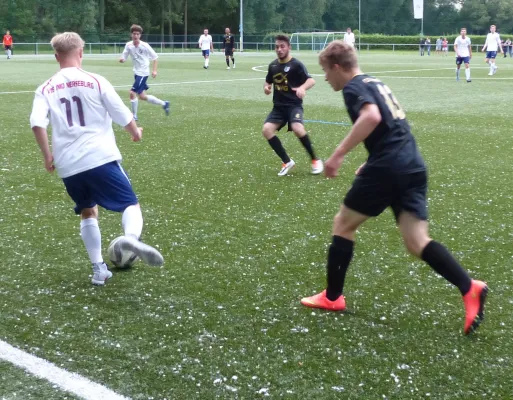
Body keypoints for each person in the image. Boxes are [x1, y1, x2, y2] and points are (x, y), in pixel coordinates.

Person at [300, 40, 487, 335]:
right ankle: (469, 287)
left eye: (325, 70)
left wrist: (338, 155)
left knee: (343, 224)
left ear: (337, 67)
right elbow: (389, 125)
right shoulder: (375, 81)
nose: (325, 78)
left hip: (388, 167)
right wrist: (372, 159)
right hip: (412, 164)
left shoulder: (352, 87)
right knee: (417, 241)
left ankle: (332, 298)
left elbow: (372, 117)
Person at [30, 32, 164, 286]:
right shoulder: (95, 81)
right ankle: (131, 238)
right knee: (130, 205)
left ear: (56, 56)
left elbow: (36, 123)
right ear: (81, 52)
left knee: (88, 210)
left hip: (68, 166)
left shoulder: (45, 88)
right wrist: (135, 132)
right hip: (99, 157)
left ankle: (98, 269)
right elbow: (120, 112)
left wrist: (48, 156)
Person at [263, 34, 323, 176]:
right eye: (277, 46)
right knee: (266, 130)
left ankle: (315, 160)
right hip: (278, 107)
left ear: (289, 47)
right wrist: (266, 88)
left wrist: (302, 88)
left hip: (293, 106)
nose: (279, 49)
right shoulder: (273, 66)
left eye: (282, 46)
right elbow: (268, 81)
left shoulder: (296, 65)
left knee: (297, 127)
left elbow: (311, 81)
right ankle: (287, 161)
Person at [119, 24, 170, 121]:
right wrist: (122, 59)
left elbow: (155, 57)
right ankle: (164, 104)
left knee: (132, 93)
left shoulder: (145, 45)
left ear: (140, 35)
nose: (136, 36)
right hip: (136, 73)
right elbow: (124, 57)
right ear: (131, 34)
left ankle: (134, 116)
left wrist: (154, 70)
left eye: (138, 34)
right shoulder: (128, 45)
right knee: (142, 96)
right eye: (134, 34)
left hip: (143, 73)